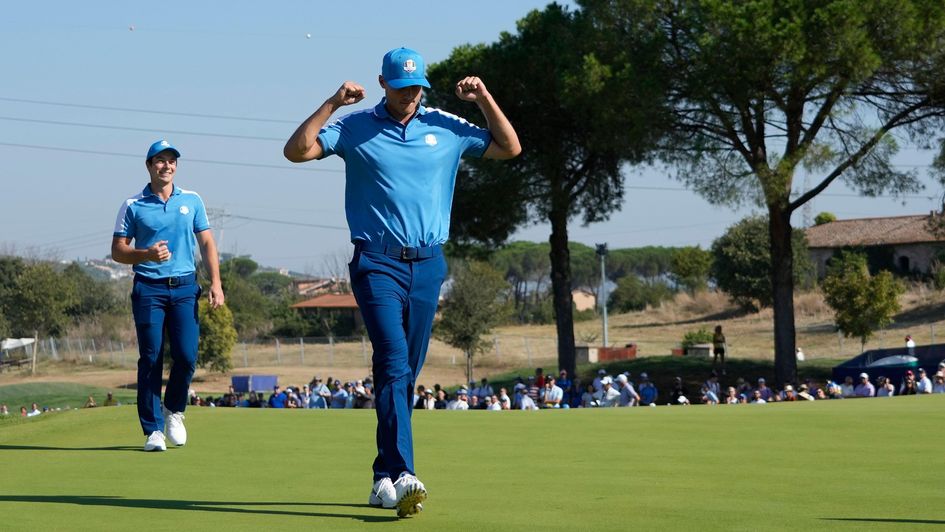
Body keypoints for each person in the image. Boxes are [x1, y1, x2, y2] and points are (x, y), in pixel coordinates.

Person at [284, 46, 519, 518]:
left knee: (403, 375)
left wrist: (485, 98)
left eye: (417, 87)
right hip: (377, 263)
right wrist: (332, 103)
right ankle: (405, 472)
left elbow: (509, 147)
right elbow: (296, 151)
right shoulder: (355, 126)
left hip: (429, 264)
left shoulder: (445, 125)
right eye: (402, 86)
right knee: (392, 363)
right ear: (384, 83)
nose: (410, 95)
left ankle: (381, 476)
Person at [111, 139, 224, 452]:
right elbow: (117, 251)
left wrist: (216, 282)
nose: (166, 166)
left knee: (187, 356)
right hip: (148, 288)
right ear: (149, 166)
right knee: (151, 357)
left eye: (171, 160)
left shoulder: (192, 200)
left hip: (185, 287)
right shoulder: (133, 204)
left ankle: (174, 410)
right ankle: (153, 430)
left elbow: (207, 244)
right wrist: (145, 254)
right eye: (159, 160)